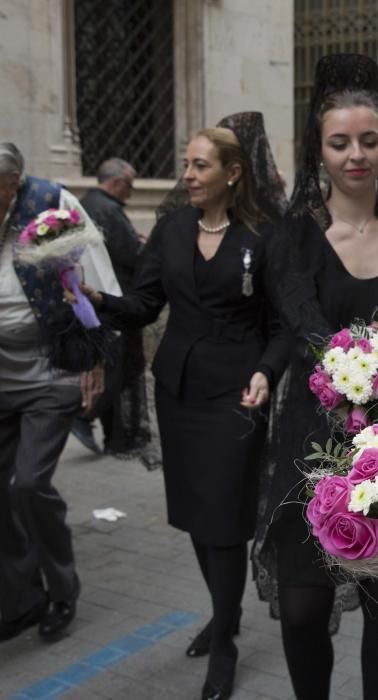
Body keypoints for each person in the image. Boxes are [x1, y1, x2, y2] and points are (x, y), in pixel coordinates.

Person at [253, 54, 378, 700]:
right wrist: (363, 369)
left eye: (368, 140)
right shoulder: (297, 236)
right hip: (316, 441)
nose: (356, 155)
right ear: (320, 149)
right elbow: (308, 328)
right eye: (339, 143)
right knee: (305, 605)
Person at [75, 115, 289, 700]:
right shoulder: (170, 229)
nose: (187, 175)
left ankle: (224, 641)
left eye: (200, 165)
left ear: (232, 174)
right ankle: (226, 613)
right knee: (197, 513)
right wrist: (97, 300)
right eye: (187, 164)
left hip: (238, 393)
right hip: (179, 391)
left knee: (223, 518)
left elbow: (282, 326)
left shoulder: (264, 236)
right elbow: (145, 304)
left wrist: (266, 373)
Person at [0, 141, 118, 642]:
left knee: (27, 484)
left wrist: (95, 356)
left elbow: (95, 279)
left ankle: (62, 588)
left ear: (12, 184)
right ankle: (22, 595)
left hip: (52, 371)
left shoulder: (50, 204)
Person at [74, 158, 155, 462]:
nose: (130, 193)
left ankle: (108, 431)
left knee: (108, 367)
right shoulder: (107, 208)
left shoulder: (87, 204)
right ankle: (83, 413)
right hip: (115, 299)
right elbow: (132, 255)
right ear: (117, 182)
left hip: (96, 298)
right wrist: (147, 247)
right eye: (130, 187)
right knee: (119, 370)